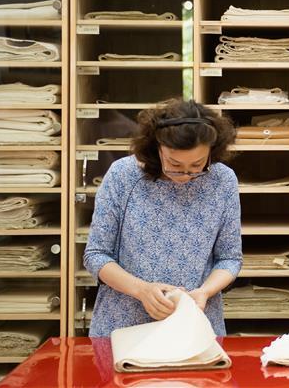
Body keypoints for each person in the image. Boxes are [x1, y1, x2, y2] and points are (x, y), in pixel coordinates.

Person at [84, 98, 241, 337]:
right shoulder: (123, 175)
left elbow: (229, 258)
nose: (185, 174)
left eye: (197, 165)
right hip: (124, 323)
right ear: (156, 148)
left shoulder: (222, 180)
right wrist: (141, 290)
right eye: (174, 164)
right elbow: (96, 255)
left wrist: (205, 292)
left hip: (195, 323)